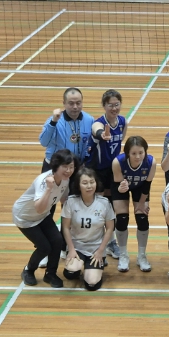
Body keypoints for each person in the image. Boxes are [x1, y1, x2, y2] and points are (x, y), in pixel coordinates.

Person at [13, 149, 79, 288]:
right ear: (56, 166)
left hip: (43, 215)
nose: (68, 170)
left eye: (71, 167)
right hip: (25, 217)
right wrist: (49, 189)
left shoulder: (65, 180)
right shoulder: (44, 181)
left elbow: (64, 199)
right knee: (44, 247)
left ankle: (50, 274)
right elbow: (39, 208)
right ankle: (28, 270)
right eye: (65, 167)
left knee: (57, 240)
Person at [39, 87, 94, 221]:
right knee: (48, 205)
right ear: (64, 103)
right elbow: (43, 142)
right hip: (54, 168)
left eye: (78, 103)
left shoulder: (89, 120)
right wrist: (53, 122)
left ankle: (67, 233)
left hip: (75, 169)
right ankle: (47, 233)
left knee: (72, 205)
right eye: (71, 103)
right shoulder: (54, 120)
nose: (75, 107)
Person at [61, 167, 116, 291]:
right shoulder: (71, 202)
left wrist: (101, 251)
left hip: (96, 248)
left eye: (92, 182)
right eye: (85, 183)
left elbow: (110, 228)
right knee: (71, 272)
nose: (89, 186)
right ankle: (81, 265)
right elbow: (65, 227)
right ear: (78, 185)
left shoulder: (104, 203)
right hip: (77, 247)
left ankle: (91, 268)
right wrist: (71, 249)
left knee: (92, 284)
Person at [89, 89, 126, 260]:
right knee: (98, 208)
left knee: (111, 208)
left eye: (116, 104)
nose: (114, 108)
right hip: (98, 171)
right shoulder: (99, 123)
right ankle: (95, 242)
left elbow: (120, 142)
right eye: (110, 105)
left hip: (113, 170)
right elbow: (96, 129)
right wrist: (101, 134)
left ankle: (111, 243)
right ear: (104, 106)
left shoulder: (123, 122)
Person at [111, 136, 156, 273]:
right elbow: (118, 187)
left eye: (141, 153)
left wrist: (141, 204)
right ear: (127, 153)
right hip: (121, 187)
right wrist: (122, 188)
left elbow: (147, 185)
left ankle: (141, 256)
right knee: (122, 219)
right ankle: (123, 255)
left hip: (140, 187)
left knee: (142, 219)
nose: (137, 157)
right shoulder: (118, 162)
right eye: (134, 153)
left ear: (145, 151)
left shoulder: (151, 162)